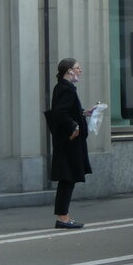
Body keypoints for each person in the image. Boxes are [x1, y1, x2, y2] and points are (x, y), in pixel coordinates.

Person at [49, 57, 93, 228]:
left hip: (67, 141)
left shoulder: (63, 87)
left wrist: (83, 113)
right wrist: (74, 126)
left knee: (68, 178)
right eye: (78, 67)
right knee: (67, 178)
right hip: (69, 142)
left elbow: (66, 110)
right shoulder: (66, 89)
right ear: (69, 71)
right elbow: (60, 113)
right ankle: (62, 217)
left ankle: (63, 215)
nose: (80, 70)